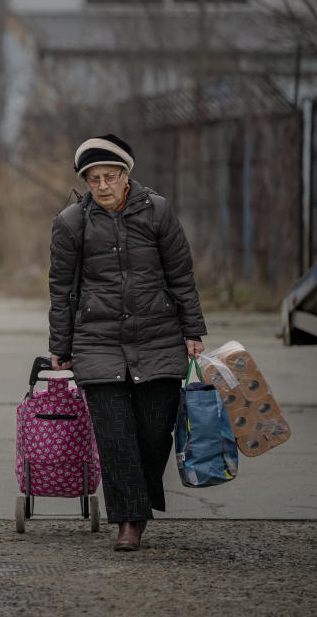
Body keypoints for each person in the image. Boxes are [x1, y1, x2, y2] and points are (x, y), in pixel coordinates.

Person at [48, 134, 207, 551]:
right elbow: (61, 289)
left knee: (155, 433)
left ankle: (138, 501)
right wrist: (60, 345)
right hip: (97, 343)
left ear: (126, 176)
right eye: (93, 178)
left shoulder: (157, 212)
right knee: (115, 437)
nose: (101, 185)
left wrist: (193, 332)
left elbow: (181, 276)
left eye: (110, 176)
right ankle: (129, 522)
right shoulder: (71, 222)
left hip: (159, 339)